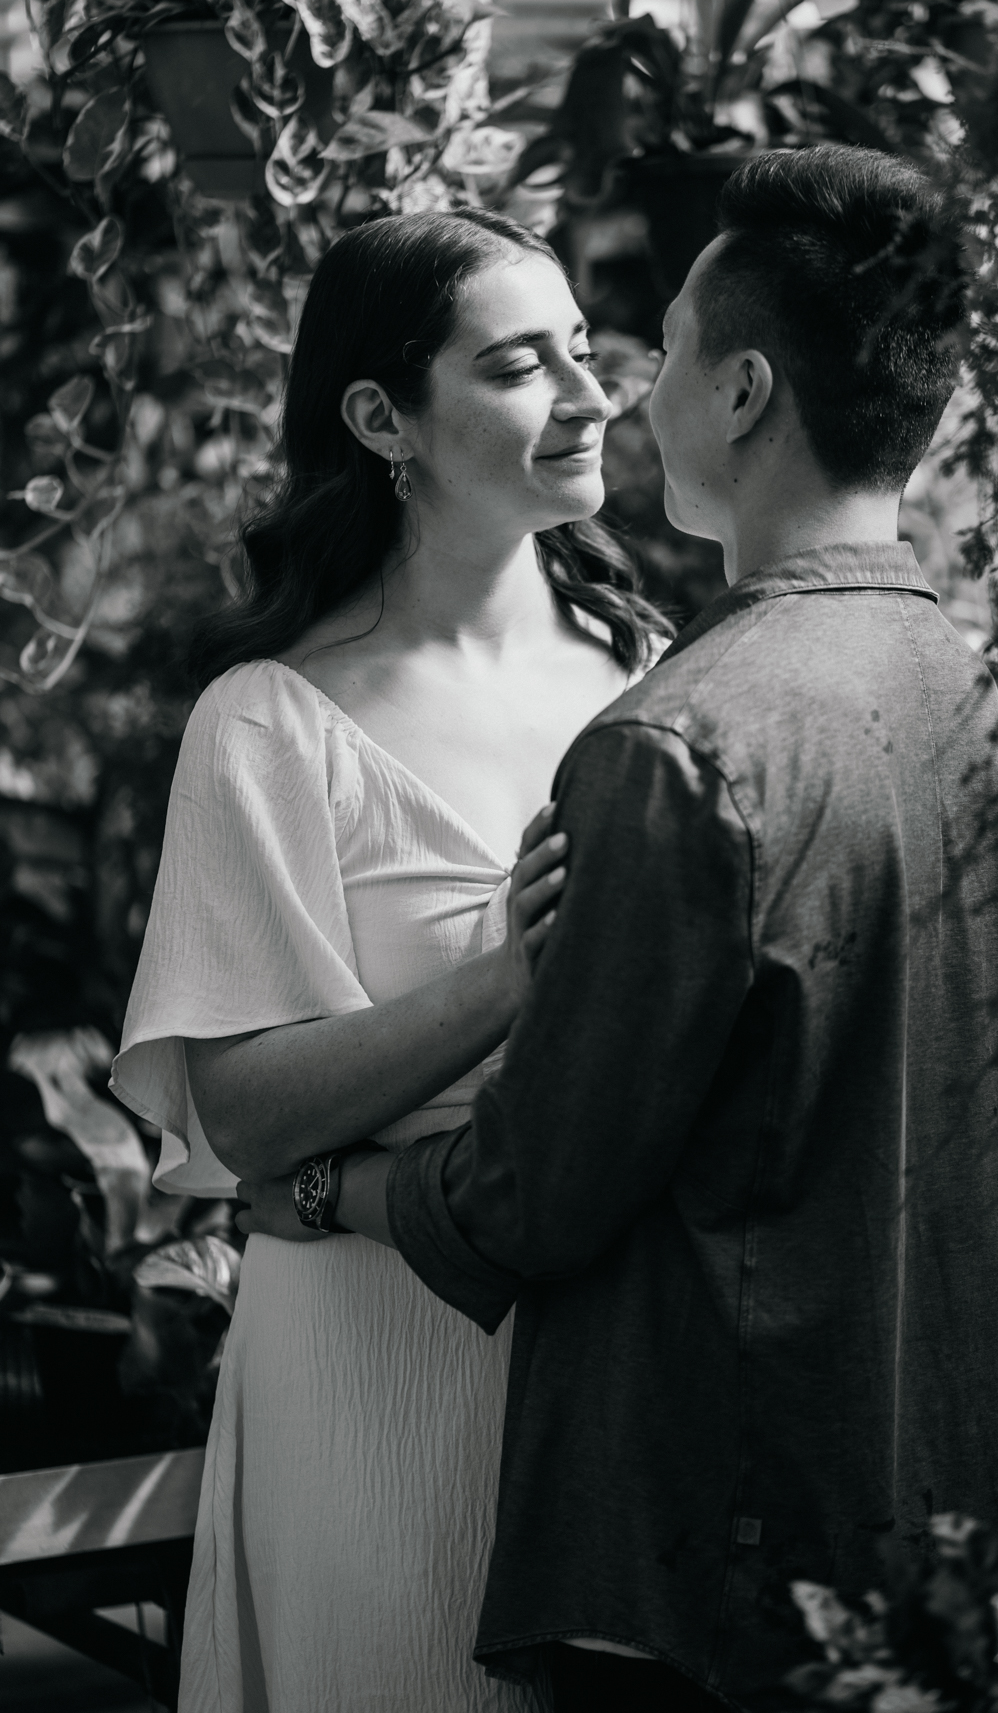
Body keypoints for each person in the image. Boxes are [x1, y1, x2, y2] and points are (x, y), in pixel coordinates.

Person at [242, 144, 998, 1713]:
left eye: (665, 350)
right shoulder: (988, 719)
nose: (627, 391)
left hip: (708, 1555)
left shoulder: (675, 741)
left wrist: (332, 1188)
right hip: (943, 1521)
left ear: (745, 392)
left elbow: (535, 1190)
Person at [110, 206, 673, 1713]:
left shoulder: (654, 676)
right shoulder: (268, 723)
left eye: (582, 350)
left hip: (620, 1358)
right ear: (381, 419)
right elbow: (243, 1117)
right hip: (374, 1361)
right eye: (519, 365)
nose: (589, 394)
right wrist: (506, 980)